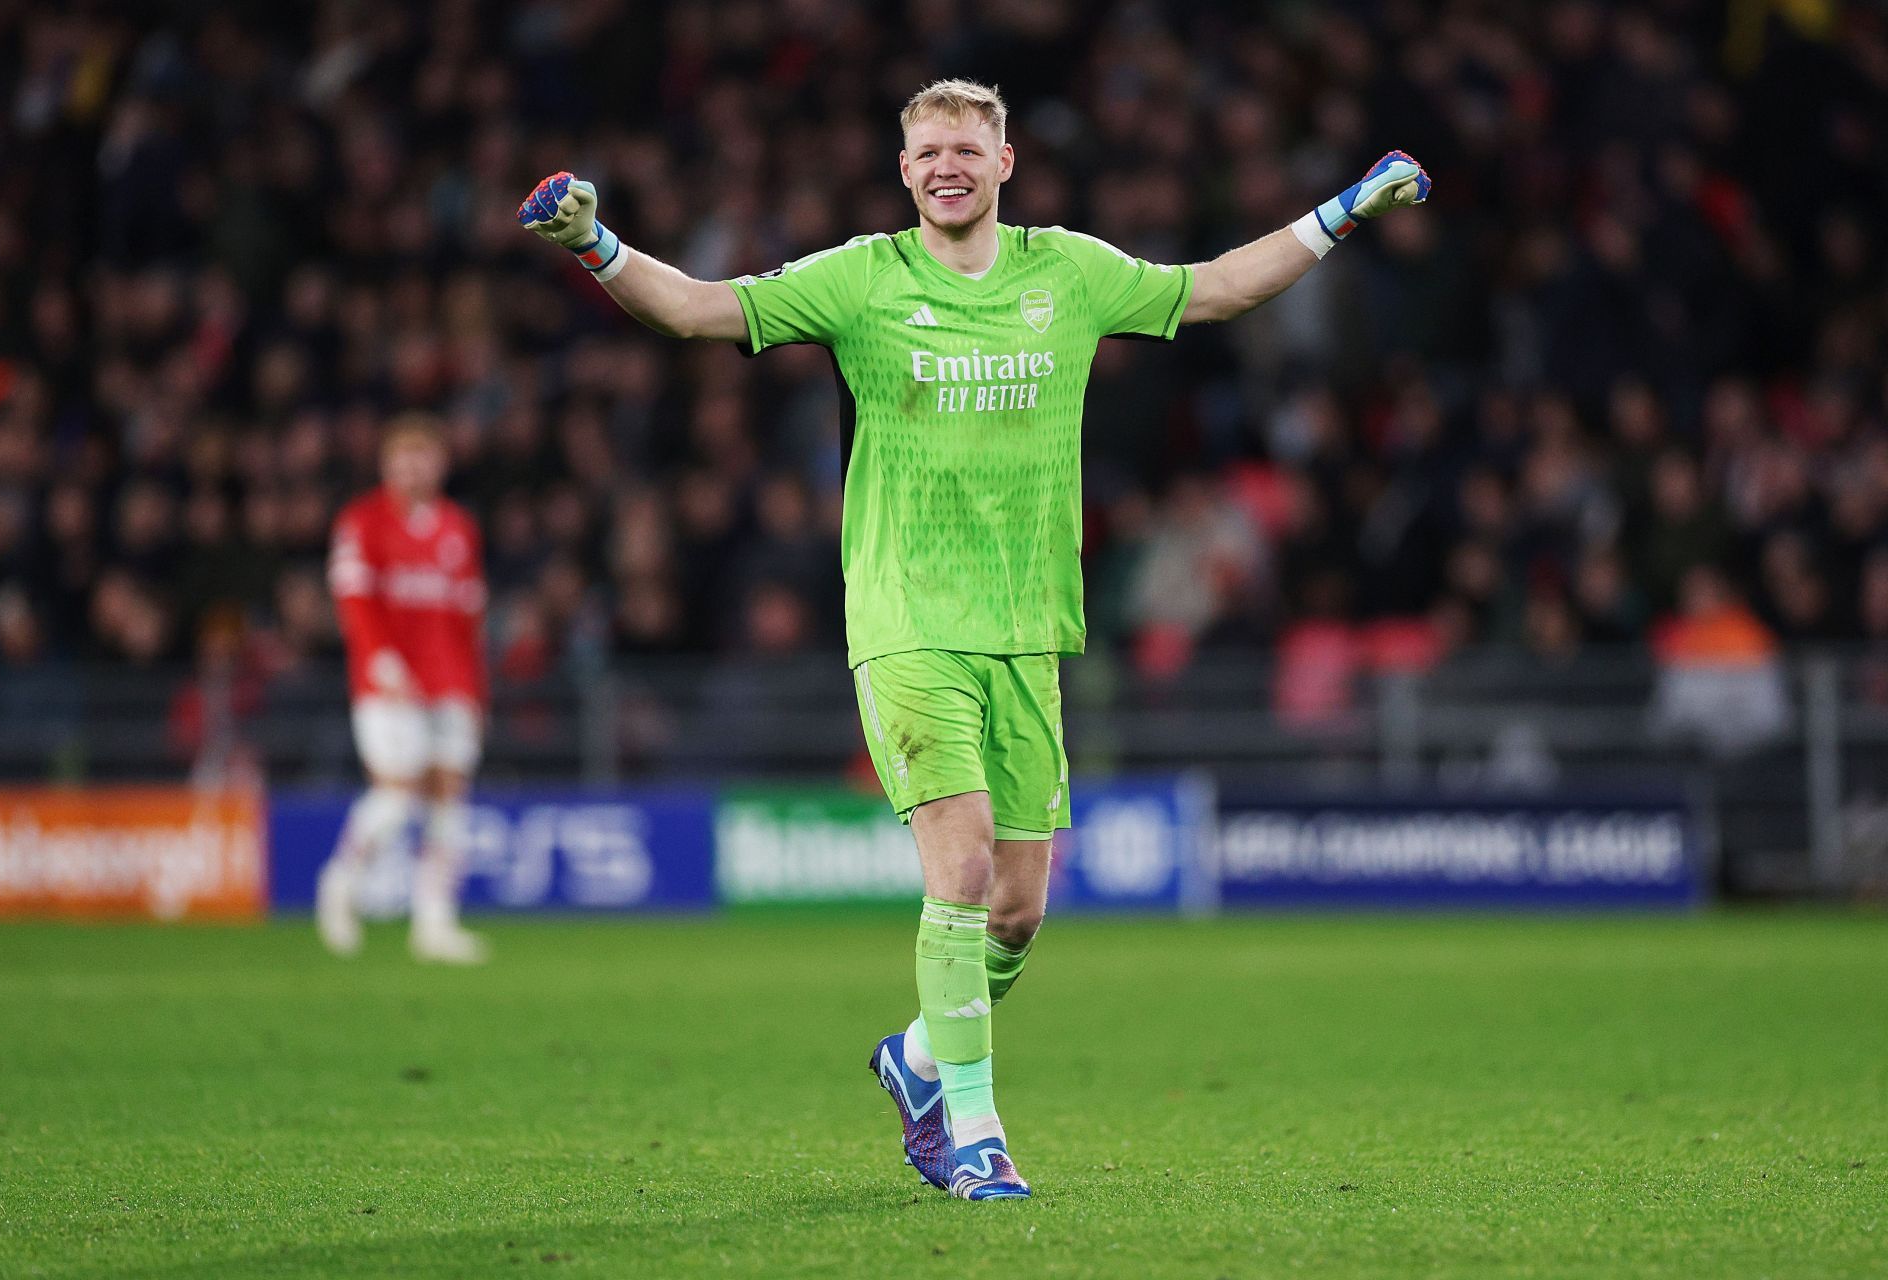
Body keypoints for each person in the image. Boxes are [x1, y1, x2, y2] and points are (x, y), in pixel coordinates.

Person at [519, 79, 1429, 1199]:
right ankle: (975, 1132)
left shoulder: (1071, 272)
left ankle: (915, 1053)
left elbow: (1219, 290)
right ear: (904, 174)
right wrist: (595, 245)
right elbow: (701, 310)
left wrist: (1339, 211)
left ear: (1005, 166)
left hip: (1027, 629)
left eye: (966, 147)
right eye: (926, 152)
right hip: (906, 622)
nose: (946, 165)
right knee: (957, 864)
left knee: (1016, 907)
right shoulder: (862, 278)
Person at [318, 415, 490, 964]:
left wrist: (476, 693)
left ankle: (434, 923)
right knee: (396, 795)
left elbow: (469, 619)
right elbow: (354, 601)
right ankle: (340, 885)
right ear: (386, 464)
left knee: (450, 799)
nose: (415, 467)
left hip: (451, 684)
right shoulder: (362, 522)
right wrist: (380, 661)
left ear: (442, 462)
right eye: (404, 456)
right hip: (387, 684)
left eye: (425, 455)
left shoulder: (459, 528)